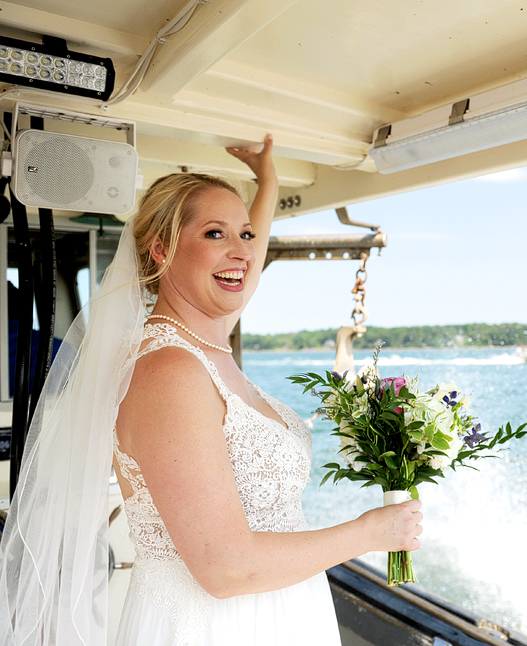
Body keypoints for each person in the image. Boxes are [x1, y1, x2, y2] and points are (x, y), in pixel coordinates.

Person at [0, 136, 423, 646]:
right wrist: (369, 533)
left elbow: (246, 258)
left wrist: (268, 181)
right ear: (161, 249)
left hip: (284, 612)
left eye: (246, 234)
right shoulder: (170, 371)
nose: (241, 252)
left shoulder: (208, 339)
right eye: (215, 232)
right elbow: (225, 569)